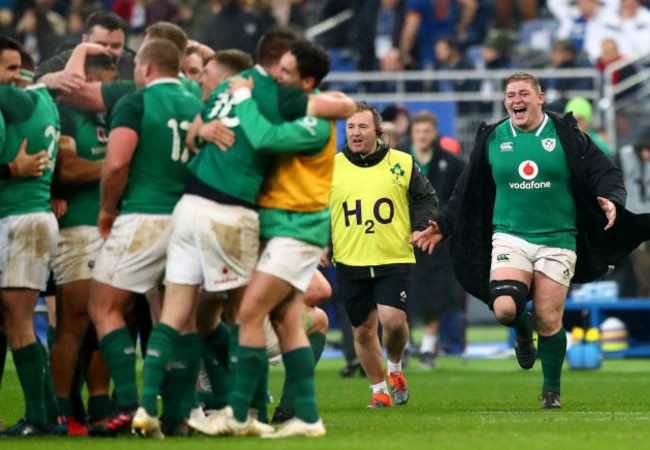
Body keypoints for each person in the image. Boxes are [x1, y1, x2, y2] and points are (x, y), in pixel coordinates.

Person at [130, 29, 354, 439]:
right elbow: (207, 121)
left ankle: (240, 410)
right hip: (268, 225)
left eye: (285, 72)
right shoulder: (277, 101)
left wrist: (244, 97)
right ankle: (303, 415)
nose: (276, 76)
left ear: (304, 81)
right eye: (278, 69)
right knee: (286, 320)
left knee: (247, 313)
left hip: (295, 229)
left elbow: (269, 135)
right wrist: (208, 126)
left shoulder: (313, 120)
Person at [412, 72, 650, 409]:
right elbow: (465, 191)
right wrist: (443, 224)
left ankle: (551, 392)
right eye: (510, 94)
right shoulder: (493, 138)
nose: (516, 100)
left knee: (549, 318)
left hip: (558, 239)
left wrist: (611, 198)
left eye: (524, 93)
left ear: (540, 98)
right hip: (510, 237)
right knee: (506, 308)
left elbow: (604, 171)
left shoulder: (565, 132)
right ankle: (524, 333)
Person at [86, 38, 205, 437]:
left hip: (146, 214)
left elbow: (117, 162)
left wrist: (106, 208)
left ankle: (128, 405)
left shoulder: (135, 102)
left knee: (104, 306)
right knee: (180, 319)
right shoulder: (196, 100)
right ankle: (178, 415)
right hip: (190, 216)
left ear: (147, 67)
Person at [330, 101, 438, 408]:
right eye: (350, 127)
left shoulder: (402, 162)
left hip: (393, 256)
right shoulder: (331, 166)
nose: (355, 132)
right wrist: (319, 242)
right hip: (350, 259)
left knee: (392, 321)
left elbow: (427, 197)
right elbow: (313, 208)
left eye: (362, 126)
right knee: (363, 331)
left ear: (378, 131)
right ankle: (379, 391)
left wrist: (422, 227)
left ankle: (395, 368)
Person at [49, 52, 119, 435]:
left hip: (118, 228)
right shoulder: (65, 111)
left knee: (104, 324)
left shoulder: (120, 112)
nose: (104, 92)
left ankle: (99, 408)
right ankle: (61, 412)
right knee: (74, 322)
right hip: (78, 226)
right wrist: (118, 164)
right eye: (99, 83)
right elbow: (67, 168)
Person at [0, 39, 61, 436]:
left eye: (15, 68)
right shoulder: (44, 103)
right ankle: (50, 415)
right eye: (7, 69)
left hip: (20, 219)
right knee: (14, 321)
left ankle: (40, 420)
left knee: (19, 322)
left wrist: (9, 169)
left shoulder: (9, 103)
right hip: (32, 218)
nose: (13, 77)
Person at [404, 111, 465, 369]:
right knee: (403, 295)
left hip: (437, 241)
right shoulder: (398, 161)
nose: (422, 136)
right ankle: (404, 345)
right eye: (418, 131)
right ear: (412, 133)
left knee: (436, 296)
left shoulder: (451, 163)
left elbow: (459, 198)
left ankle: (428, 348)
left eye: (427, 131)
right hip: (404, 239)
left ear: (434, 133)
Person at [36, 10, 134, 87]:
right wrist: (52, 80)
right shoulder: (68, 58)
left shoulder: (132, 64)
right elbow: (37, 79)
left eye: (116, 46)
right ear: (85, 40)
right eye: (101, 44)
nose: (108, 50)